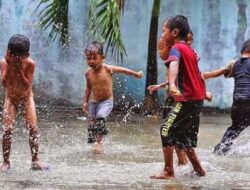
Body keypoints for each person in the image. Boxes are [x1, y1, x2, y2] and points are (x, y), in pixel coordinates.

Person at [151, 15, 206, 179]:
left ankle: (168, 170)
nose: (162, 35)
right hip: (197, 99)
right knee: (183, 136)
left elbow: (173, 64)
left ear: (174, 32)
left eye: (163, 31)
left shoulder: (176, 48)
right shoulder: (189, 49)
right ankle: (199, 170)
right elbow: (196, 73)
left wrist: (173, 83)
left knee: (166, 130)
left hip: (187, 98)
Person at [83, 41, 143, 153]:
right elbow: (88, 88)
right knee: (91, 122)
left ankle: (98, 142)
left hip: (106, 101)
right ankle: (93, 140)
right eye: (88, 58)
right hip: (94, 102)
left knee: (100, 117)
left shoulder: (107, 69)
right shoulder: (88, 73)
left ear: (103, 58)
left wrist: (136, 74)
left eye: (94, 58)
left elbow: (123, 70)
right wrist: (85, 102)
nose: (91, 61)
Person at [0, 34, 49, 171]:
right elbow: (4, 83)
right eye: (13, 56)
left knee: (33, 128)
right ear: (8, 53)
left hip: (27, 98)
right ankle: (6, 162)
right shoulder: (3, 63)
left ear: (26, 55)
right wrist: (11, 66)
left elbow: (27, 85)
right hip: (11, 99)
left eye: (19, 57)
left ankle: (35, 160)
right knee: (7, 130)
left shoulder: (30, 64)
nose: (16, 59)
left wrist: (19, 69)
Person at [203, 39, 250, 155]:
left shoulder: (233, 64)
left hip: (238, 103)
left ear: (241, 51)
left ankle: (220, 150)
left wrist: (203, 75)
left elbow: (216, 73)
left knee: (235, 128)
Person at [148, 37, 188, 166]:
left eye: (161, 48)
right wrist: (159, 86)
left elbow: (180, 81)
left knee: (171, 131)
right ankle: (182, 161)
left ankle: (181, 162)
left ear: (170, 49)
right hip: (171, 101)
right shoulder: (171, 64)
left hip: (178, 102)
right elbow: (172, 80)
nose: (159, 52)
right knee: (173, 132)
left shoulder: (176, 62)